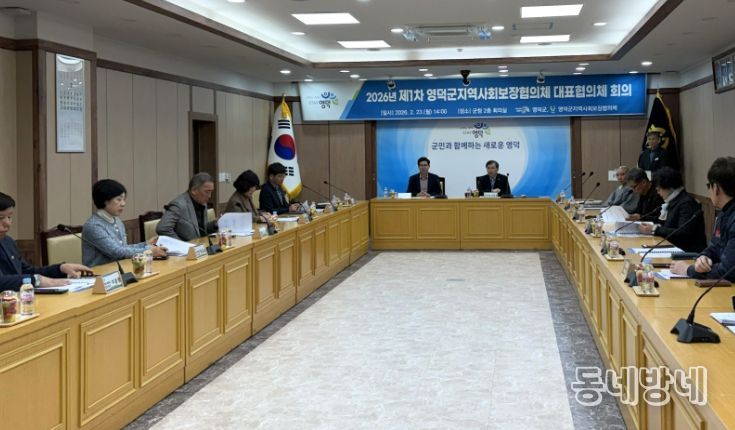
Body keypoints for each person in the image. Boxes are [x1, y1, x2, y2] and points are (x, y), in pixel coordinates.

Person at [0, 192, 92, 291]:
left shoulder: (7, 241)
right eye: (1, 218)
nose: (7, 223)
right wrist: (36, 281)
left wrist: (60, 269)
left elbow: (26, 271)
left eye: (9, 217)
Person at [672, 157, 735, 281]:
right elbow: (714, 248)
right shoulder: (724, 213)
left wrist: (688, 270)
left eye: (708, 186)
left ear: (716, 188)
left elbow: (728, 271)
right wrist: (703, 258)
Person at [82, 179, 167, 267]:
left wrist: (146, 243)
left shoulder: (117, 220)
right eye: (118, 200)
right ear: (105, 200)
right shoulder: (94, 226)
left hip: (120, 269)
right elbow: (116, 252)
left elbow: (123, 249)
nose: (123, 204)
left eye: (123, 199)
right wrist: (149, 250)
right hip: (100, 273)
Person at [637, 167, 706, 252]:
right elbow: (667, 225)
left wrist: (655, 229)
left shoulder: (686, 203)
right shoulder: (674, 200)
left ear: (669, 187)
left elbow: (683, 233)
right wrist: (650, 225)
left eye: (659, 189)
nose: (658, 193)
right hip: (674, 247)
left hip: (688, 252)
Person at [157, 172, 218, 241]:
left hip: (201, 244)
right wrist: (181, 244)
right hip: (187, 247)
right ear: (194, 190)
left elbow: (200, 230)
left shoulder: (202, 202)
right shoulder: (178, 205)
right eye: (207, 192)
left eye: (211, 192)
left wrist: (214, 224)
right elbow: (162, 228)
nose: (209, 196)